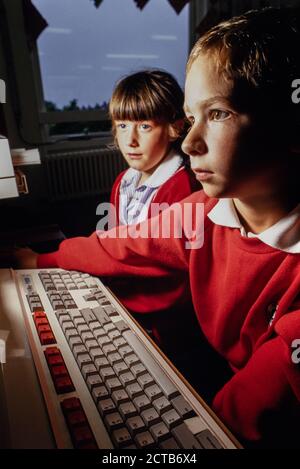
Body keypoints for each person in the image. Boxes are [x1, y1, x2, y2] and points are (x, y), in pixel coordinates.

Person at [15, 8, 300, 447]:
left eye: (219, 114)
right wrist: (41, 260)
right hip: (226, 376)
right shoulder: (202, 211)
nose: (189, 142)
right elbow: (122, 244)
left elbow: (259, 398)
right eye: (191, 117)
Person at [107, 69, 200, 228]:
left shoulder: (184, 187)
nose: (131, 141)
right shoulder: (122, 182)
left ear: (174, 129)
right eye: (122, 126)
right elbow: (113, 238)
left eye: (144, 126)